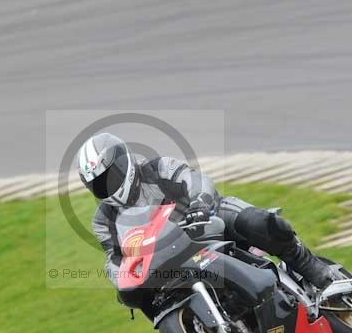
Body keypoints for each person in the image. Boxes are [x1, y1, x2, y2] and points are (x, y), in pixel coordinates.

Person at [77, 132, 334, 317]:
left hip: (206, 220)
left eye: (111, 175)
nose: (108, 185)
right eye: (99, 183)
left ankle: (313, 269)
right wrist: (121, 277)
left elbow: (195, 180)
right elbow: (114, 257)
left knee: (257, 223)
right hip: (166, 257)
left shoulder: (157, 169)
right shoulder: (104, 220)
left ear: (126, 161)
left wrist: (199, 202)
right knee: (143, 296)